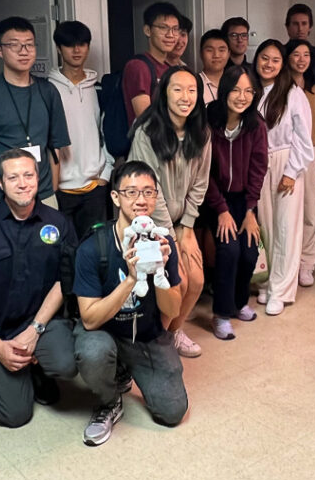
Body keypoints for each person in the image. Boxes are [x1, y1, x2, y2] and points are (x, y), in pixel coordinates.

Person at [0, 149, 78, 428]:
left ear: (38, 178)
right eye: (13, 177)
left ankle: (38, 370)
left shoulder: (58, 223)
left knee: (66, 363)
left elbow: (63, 281)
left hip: (42, 325)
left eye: (28, 175)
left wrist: (35, 330)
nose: (22, 183)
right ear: (0, 183)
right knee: (15, 416)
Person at [73, 161, 187, 445]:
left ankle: (127, 367)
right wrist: (131, 279)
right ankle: (110, 400)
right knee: (93, 351)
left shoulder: (162, 241)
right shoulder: (94, 246)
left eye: (149, 192)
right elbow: (89, 318)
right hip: (106, 333)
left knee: (173, 412)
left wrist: (159, 270)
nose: (141, 200)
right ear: (115, 197)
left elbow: (173, 311)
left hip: (146, 336)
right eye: (132, 192)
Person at [128, 66, 211, 358]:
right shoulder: (146, 133)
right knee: (180, 280)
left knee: (198, 280)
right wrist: (173, 239)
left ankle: (174, 332)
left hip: (179, 223)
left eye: (192, 90)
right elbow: (150, 192)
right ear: (164, 94)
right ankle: (155, 344)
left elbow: (200, 183)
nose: (185, 97)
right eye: (178, 89)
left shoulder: (201, 132)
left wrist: (186, 228)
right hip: (147, 222)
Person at [0, 16, 70, 208]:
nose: (24, 52)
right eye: (14, 45)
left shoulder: (47, 90)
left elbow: (55, 145)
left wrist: (51, 189)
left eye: (29, 45)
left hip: (43, 194)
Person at [203, 64, 268, 340]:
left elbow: (258, 168)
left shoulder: (256, 124)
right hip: (212, 197)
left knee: (250, 250)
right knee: (228, 250)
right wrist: (221, 210)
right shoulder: (208, 119)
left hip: (244, 198)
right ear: (224, 90)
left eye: (249, 91)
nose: (242, 97)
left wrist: (250, 210)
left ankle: (240, 302)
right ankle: (221, 314)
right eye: (236, 90)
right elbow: (203, 171)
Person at [253, 40, 314, 315]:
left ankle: (283, 289)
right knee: (266, 226)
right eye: (264, 58)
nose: (269, 64)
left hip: (286, 161)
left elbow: (303, 136)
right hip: (258, 163)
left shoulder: (291, 92)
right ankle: (267, 281)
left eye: (275, 60)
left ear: (283, 64)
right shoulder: (251, 91)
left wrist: (291, 172)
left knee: (287, 227)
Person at [48, 20, 112, 240]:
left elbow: (108, 132)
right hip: (59, 189)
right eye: (69, 45)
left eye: (82, 44)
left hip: (95, 186)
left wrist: (105, 174)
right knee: (62, 254)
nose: (76, 50)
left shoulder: (100, 87)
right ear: (58, 48)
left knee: (95, 252)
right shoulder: (47, 88)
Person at [286, 38, 315, 288]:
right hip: (285, 154)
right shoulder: (279, 89)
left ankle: (306, 264)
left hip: (312, 154)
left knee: (310, 214)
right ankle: (287, 264)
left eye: (306, 54)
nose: (301, 59)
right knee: (286, 213)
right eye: (296, 54)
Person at [123, 2, 181, 127]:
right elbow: (145, 118)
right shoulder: (138, 66)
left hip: (168, 141)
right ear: (148, 30)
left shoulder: (170, 69)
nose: (170, 35)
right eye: (163, 28)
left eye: (175, 29)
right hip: (149, 142)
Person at [283, 4, 315, 86]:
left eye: (304, 24)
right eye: (295, 24)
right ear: (287, 27)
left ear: (310, 27)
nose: (300, 29)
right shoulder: (280, 54)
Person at [198, 28, 230, 104]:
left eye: (221, 50)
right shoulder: (193, 83)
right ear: (201, 54)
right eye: (209, 50)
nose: (216, 55)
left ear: (229, 54)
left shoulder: (235, 83)